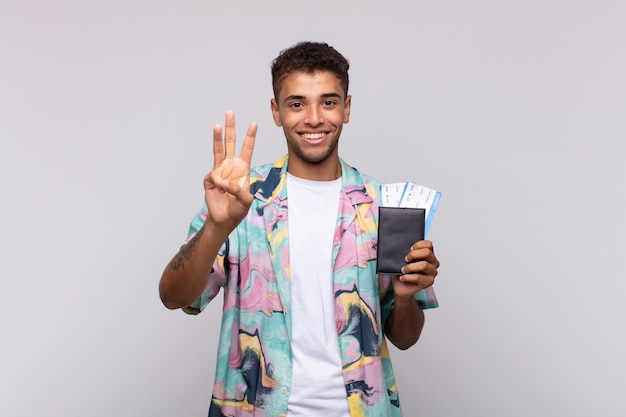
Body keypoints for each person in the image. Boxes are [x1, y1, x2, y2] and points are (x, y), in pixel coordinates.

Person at [159, 41, 440, 417]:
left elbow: (405, 338)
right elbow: (174, 297)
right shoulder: (242, 199)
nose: (313, 118)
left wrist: (404, 298)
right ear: (276, 112)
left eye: (328, 101)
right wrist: (217, 228)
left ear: (347, 108)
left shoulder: (379, 205)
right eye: (296, 104)